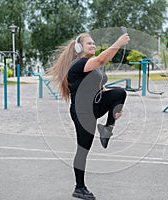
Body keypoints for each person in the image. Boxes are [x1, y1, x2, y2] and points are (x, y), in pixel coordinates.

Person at [49, 32, 130, 200]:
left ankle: (107, 129)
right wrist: (119, 42)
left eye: (94, 43)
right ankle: (79, 188)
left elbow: (99, 84)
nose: (93, 45)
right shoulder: (78, 63)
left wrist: (114, 106)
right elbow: (101, 60)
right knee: (83, 149)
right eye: (89, 44)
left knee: (119, 93)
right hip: (82, 112)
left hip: (95, 106)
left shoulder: (91, 66)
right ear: (79, 48)